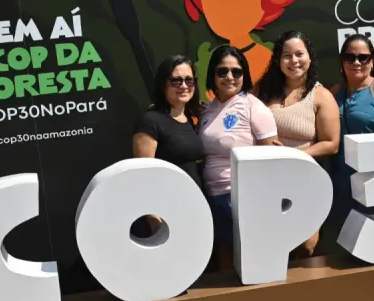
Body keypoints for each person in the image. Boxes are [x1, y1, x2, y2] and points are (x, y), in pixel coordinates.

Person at [256, 31, 340, 257]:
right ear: (278, 60)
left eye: (299, 54)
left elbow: (331, 144)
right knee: (273, 245)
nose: (293, 61)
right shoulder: (263, 91)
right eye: (286, 55)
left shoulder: (321, 96)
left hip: (306, 180)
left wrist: (295, 156)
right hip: (268, 181)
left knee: (305, 245)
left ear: (310, 57)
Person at [200, 45, 279, 271]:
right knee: (225, 258)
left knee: (253, 261)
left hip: (244, 197)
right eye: (222, 72)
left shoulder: (253, 106)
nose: (230, 77)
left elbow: (271, 156)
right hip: (213, 197)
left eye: (237, 71)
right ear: (212, 76)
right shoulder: (208, 109)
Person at [322, 34, 374, 252]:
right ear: (342, 62)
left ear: (373, 61)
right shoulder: (334, 92)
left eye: (363, 57)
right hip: (340, 182)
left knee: (373, 245)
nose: (357, 62)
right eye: (350, 57)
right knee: (345, 245)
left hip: (372, 182)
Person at [132, 55, 205, 238]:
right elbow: (143, 176)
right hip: (166, 215)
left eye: (189, 80)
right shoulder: (151, 121)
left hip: (194, 209)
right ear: (163, 84)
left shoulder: (191, 119)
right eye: (176, 80)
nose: (184, 86)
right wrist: (154, 221)